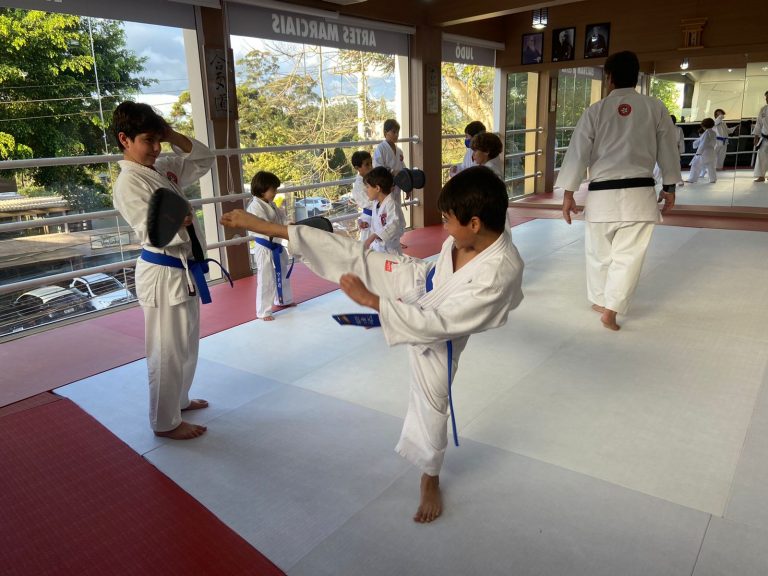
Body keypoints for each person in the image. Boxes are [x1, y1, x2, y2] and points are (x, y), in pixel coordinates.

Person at [220, 166, 524, 524]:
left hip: (445, 326)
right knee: (360, 257)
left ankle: (430, 475)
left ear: (474, 223)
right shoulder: (464, 236)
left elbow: (440, 324)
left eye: (447, 220)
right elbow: (411, 272)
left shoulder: (500, 272)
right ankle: (272, 229)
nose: (444, 227)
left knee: (433, 399)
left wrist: (376, 304)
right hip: (419, 281)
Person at [111, 101, 215, 440]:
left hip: (184, 271)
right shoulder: (128, 183)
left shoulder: (162, 166)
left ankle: (179, 400)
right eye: (148, 141)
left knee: (185, 343)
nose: (156, 148)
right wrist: (178, 219)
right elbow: (152, 233)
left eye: (159, 140)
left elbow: (203, 159)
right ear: (125, 139)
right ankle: (164, 421)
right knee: (165, 350)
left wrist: (172, 134)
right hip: (162, 273)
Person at [557, 51, 680, 331]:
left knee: (599, 253)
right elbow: (668, 150)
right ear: (636, 76)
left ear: (608, 77)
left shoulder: (595, 111)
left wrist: (568, 194)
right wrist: (670, 186)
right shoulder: (655, 108)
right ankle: (611, 309)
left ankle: (601, 300)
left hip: (601, 197)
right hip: (640, 196)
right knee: (629, 255)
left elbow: (577, 154)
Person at [247, 170, 294, 321]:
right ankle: (263, 311)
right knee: (266, 279)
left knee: (283, 272)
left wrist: (288, 225)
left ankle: (283, 300)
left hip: (276, 244)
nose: (275, 192)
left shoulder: (271, 204)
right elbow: (264, 227)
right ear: (262, 189)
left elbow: (281, 219)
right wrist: (282, 230)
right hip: (265, 247)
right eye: (273, 189)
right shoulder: (254, 207)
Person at [373, 118, 407, 246]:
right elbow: (378, 168)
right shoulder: (380, 149)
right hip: (386, 188)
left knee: (396, 213)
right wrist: (392, 171)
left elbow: (403, 170)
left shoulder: (399, 151)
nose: (396, 135)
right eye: (393, 132)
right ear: (386, 132)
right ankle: (385, 239)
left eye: (397, 132)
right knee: (386, 214)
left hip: (397, 187)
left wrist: (407, 186)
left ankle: (397, 240)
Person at [363, 166, 402, 255]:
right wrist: (365, 223)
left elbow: (393, 225)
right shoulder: (376, 203)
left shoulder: (391, 204)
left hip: (390, 251)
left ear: (377, 188)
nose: (366, 190)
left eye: (368, 187)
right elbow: (378, 222)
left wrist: (374, 236)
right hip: (377, 248)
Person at [350, 150, 374, 243]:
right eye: (367, 164)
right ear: (357, 167)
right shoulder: (358, 186)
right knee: (369, 247)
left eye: (371, 163)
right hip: (369, 219)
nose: (371, 167)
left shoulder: (371, 179)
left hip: (377, 216)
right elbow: (370, 202)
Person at [686, 118, 717, 184]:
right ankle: (713, 179)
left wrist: (698, 152)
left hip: (704, 152)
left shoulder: (706, 133)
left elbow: (703, 143)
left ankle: (692, 179)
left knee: (695, 165)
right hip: (711, 151)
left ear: (704, 125)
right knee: (711, 166)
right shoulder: (713, 132)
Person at [753, 90, 768, 182]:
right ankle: (761, 176)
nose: (766, 99)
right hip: (764, 137)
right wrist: (756, 137)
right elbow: (758, 124)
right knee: (761, 156)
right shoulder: (763, 109)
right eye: (766, 98)